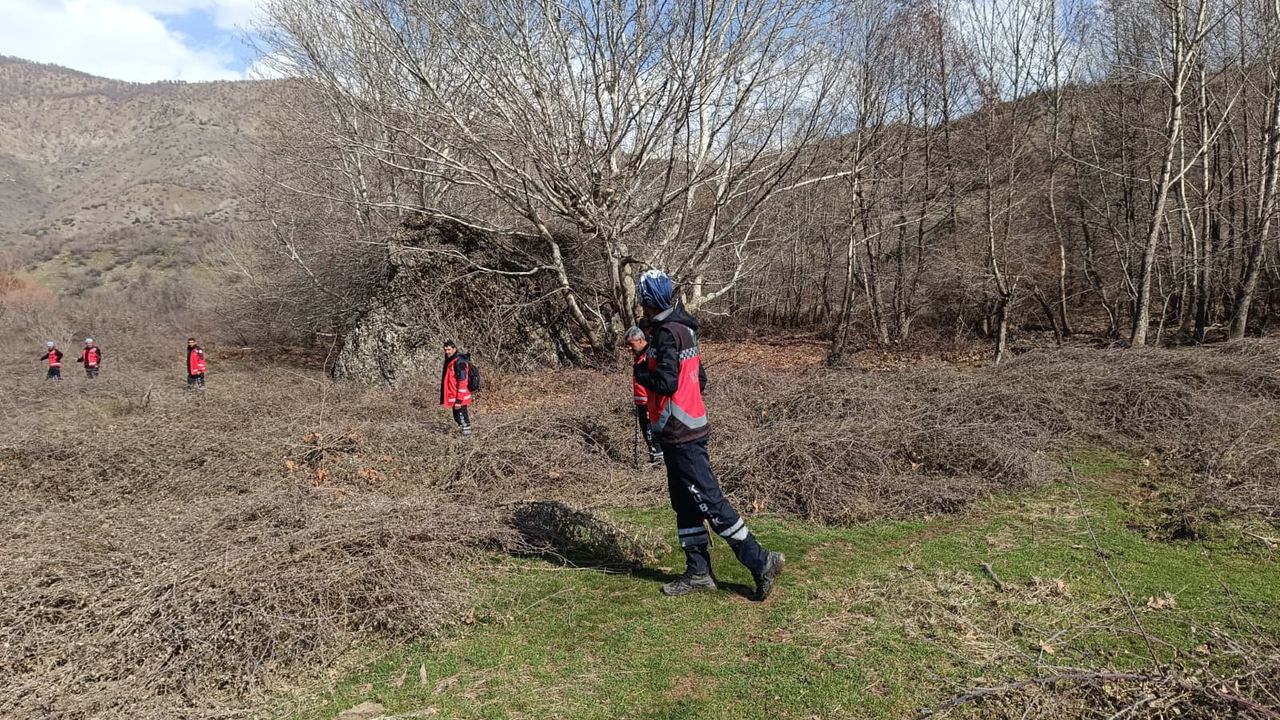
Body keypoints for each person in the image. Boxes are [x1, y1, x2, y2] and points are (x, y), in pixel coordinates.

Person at [633, 269, 784, 601]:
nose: (640, 303)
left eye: (642, 297)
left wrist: (641, 371)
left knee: (710, 502)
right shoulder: (684, 328)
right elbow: (699, 379)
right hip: (683, 430)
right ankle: (698, 572)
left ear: (649, 299)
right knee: (685, 504)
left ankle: (761, 561)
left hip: (681, 434)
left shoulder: (666, 334)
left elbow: (666, 383)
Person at [625, 326, 663, 466]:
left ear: (640, 340)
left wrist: (649, 405)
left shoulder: (649, 356)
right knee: (647, 432)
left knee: (652, 432)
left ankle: (659, 459)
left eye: (631, 344)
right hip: (641, 403)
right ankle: (655, 457)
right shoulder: (639, 356)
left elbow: (653, 381)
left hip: (650, 403)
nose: (629, 348)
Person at [440, 340, 473, 436]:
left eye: (449, 349)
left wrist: (459, 400)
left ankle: (467, 437)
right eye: (445, 350)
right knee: (457, 417)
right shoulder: (450, 360)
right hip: (454, 395)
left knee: (462, 418)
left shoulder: (459, 362)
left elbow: (463, 382)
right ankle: (463, 435)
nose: (447, 352)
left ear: (454, 349)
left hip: (459, 396)